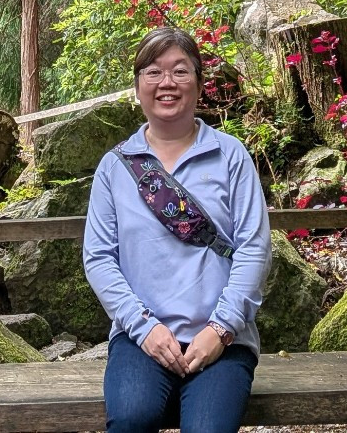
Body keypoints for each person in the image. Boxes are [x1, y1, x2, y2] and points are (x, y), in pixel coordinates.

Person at [83, 27, 272, 433]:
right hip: (140, 337)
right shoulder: (115, 168)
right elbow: (99, 258)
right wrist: (144, 328)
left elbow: (254, 248)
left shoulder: (230, 156)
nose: (166, 82)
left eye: (180, 71)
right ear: (137, 88)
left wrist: (221, 329)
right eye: (153, 72)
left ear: (199, 85)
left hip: (222, 338)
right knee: (132, 418)